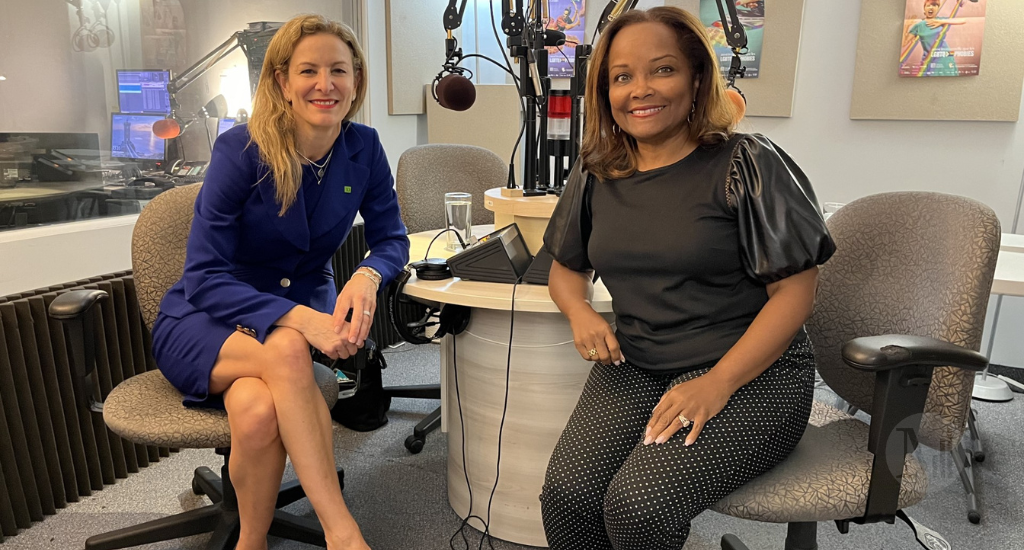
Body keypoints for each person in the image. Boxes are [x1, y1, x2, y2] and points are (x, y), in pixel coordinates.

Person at [538, 7, 835, 550]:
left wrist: (717, 382)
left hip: (752, 375)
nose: (640, 90)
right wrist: (580, 312)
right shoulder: (597, 168)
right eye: (622, 76)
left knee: (637, 508)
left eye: (663, 69)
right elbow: (564, 269)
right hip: (639, 363)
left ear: (698, 77)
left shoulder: (748, 163)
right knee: (567, 497)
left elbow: (796, 290)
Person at [150, 14, 409, 550]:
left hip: (294, 314)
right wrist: (303, 319)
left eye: (339, 69)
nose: (325, 83)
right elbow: (202, 277)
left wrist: (366, 274)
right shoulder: (241, 149)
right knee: (289, 351)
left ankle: (250, 540)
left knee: (256, 409)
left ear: (356, 79)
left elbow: (392, 239)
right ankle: (342, 531)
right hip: (206, 319)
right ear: (281, 82)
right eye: (308, 70)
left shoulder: (364, 148)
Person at [902, 0, 966, 77]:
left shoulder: (940, 21)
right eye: (928, 5)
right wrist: (906, 27)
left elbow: (963, 20)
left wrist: (941, 22)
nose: (931, 7)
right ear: (924, 8)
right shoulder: (919, 25)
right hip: (928, 58)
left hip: (944, 57)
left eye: (934, 5)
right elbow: (903, 44)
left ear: (938, 8)